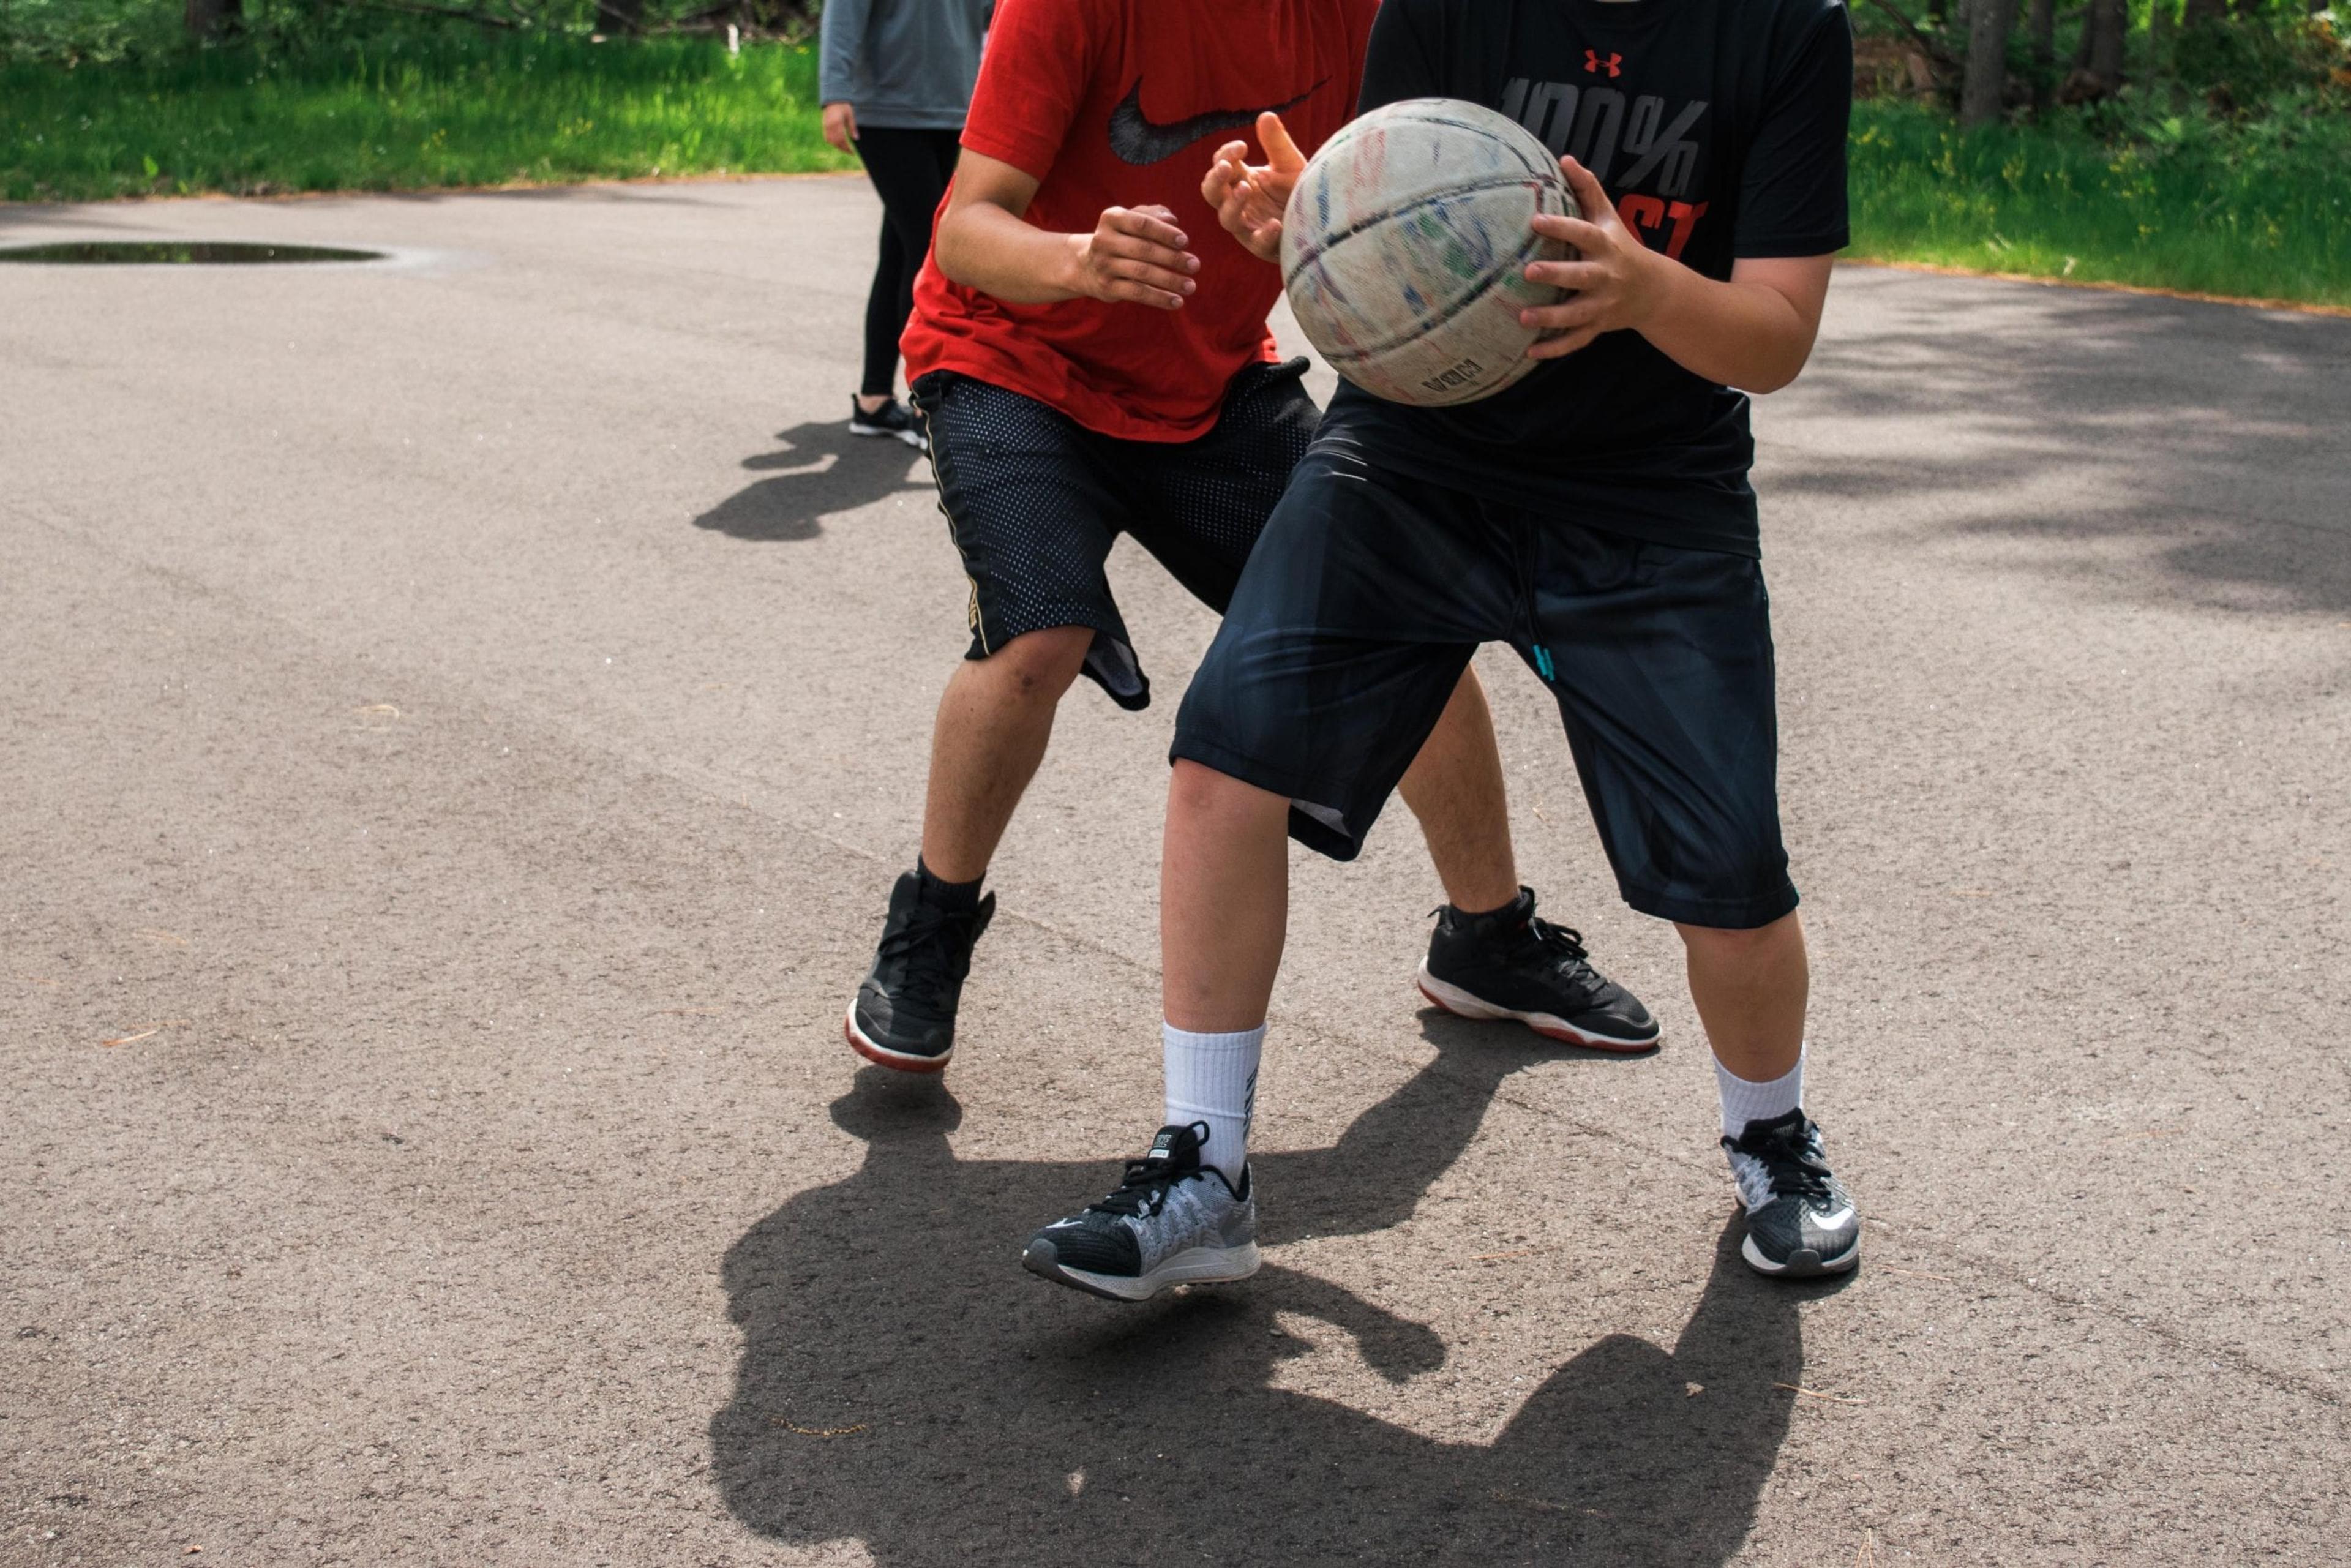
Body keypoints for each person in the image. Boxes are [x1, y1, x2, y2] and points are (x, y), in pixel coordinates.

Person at [1023, 0, 1862, 1300]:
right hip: (1414, 457)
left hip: (1650, 488)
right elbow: (1394, 229)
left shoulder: (1781, 31)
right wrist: (1320, 228)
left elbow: (1777, 336)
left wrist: (1641, 288)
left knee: (1731, 872)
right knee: (1224, 754)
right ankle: (1207, 1165)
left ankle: (1773, 1137)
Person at [843, 0, 1659, 1081]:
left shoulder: (1362, 20)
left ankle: (1488, 933)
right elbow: (965, 228)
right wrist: (1084, 261)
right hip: (1012, 361)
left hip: (1208, 383)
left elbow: (1412, 188)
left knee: (1403, 623)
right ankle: (932, 927)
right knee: (1040, 635)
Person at [819, 0, 992, 448]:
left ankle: (874, 401)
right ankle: (926, 404)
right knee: (930, 253)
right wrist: (835, 93)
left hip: (954, 109)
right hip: (885, 112)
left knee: (900, 253)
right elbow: (843, 15)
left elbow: (1001, 19)